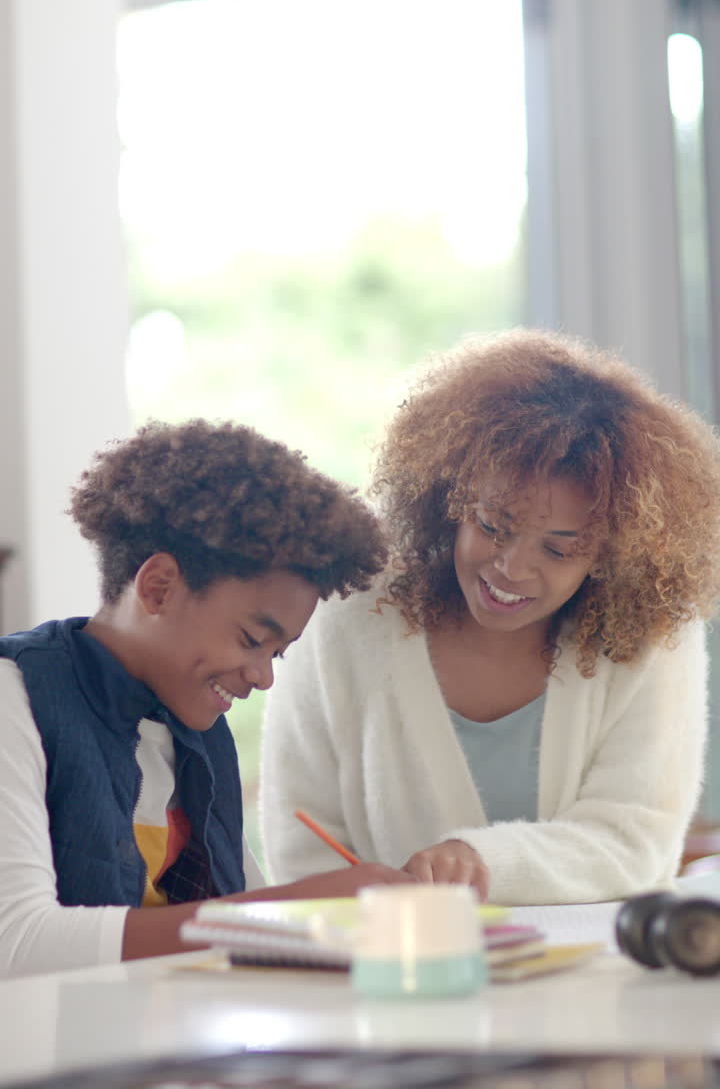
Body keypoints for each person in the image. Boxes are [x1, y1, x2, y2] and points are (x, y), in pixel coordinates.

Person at [260, 329, 720, 906]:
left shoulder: (651, 634)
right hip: (385, 955)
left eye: (558, 550)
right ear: (449, 499)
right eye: (492, 526)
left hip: (589, 963)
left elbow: (635, 844)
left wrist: (481, 862)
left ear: (609, 554)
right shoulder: (352, 607)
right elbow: (302, 841)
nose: (511, 568)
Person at [0, 419, 415, 979]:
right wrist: (296, 908)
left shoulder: (197, 736)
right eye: (251, 639)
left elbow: (240, 922)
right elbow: (17, 944)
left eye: (278, 653)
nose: (263, 678)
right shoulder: (14, 700)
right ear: (159, 587)